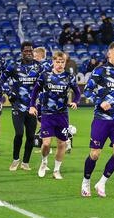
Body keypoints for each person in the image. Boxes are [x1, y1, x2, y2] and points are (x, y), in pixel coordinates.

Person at [81, 42, 114, 198]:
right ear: (109, 54)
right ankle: (86, 181)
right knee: (95, 154)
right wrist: (99, 102)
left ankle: (102, 182)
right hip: (101, 119)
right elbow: (87, 90)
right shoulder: (99, 71)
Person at [29, 51, 81, 179]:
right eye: (57, 61)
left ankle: (56, 170)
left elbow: (77, 93)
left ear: (65, 62)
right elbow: (35, 90)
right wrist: (32, 105)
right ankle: (44, 162)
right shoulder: (45, 75)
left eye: (62, 62)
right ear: (53, 62)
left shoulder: (69, 77)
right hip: (47, 114)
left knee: (61, 143)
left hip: (62, 115)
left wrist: (75, 101)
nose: (59, 64)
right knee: (46, 143)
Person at [1, 41, 42, 171]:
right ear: (21, 52)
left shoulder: (39, 67)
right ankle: (15, 159)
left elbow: (45, 82)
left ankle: (25, 162)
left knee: (30, 136)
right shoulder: (13, 66)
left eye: (31, 51)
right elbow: (1, 80)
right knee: (19, 133)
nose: (29, 53)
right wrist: (9, 92)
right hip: (18, 106)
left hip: (32, 107)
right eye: (26, 51)